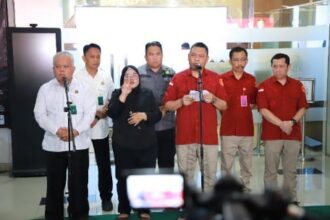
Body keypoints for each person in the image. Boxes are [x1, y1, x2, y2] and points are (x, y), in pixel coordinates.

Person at [34, 51, 96, 220]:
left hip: (79, 145)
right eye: (58, 67)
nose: (62, 70)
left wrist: (75, 131)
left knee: (78, 187)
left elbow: (90, 114)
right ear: (53, 69)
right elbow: (40, 114)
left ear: (73, 68)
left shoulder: (84, 88)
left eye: (65, 67)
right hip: (53, 145)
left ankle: (80, 216)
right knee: (54, 187)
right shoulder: (45, 89)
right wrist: (57, 130)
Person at [164, 42, 228, 192]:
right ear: (188, 57)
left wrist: (213, 99)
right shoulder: (178, 78)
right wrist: (180, 102)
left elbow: (224, 105)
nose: (197, 59)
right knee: (186, 179)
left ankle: (208, 211)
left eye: (201, 56)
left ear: (207, 59)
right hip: (185, 138)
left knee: (210, 178)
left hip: (209, 138)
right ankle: (188, 211)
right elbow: (167, 105)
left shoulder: (215, 78)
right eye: (193, 55)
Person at [108, 65, 162, 220]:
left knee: (145, 177)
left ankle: (144, 209)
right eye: (127, 75)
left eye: (134, 75)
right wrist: (123, 95)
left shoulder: (147, 94)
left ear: (139, 78)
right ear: (122, 78)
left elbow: (157, 114)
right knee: (123, 177)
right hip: (123, 144)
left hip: (146, 145)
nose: (131, 78)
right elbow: (112, 113)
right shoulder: (117, 93)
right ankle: (124, 208)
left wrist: (144, 115)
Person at [257, 53, 308, 203]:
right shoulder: (264, 86)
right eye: (274, 66)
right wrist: (281, 124)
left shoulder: (297, 85)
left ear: (288, 67)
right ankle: (271, 201)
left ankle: (290, 201)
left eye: (281, 66)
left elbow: (303, 107)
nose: (277, 69)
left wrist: (291, 122)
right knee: (270, 171)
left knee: (290, 171)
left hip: (292, 135)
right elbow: (263, 110)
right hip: (272, 135)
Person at [75, 43, 114, 211]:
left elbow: (111, 99)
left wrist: (104, 111)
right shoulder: (76, 76)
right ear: (84, 58)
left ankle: (106, 197)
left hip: (101, 129)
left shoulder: (106, 76)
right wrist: (92, 114)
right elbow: (73, 103)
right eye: (92, 56)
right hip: (80, 129)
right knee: (80, 166)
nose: (96, 60)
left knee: (104, 165)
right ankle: (80, 199)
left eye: (98, 56)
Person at [220, 46, 257, 192]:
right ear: (230, 61)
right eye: (236, 60)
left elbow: (253, 102)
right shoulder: (222, 79)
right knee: (226, 164)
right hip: (228, 129)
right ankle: (225, 191)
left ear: (246, 61)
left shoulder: (251, 80)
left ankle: (246, 187)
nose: (239, 63)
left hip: (246, 129)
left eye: (242, 60)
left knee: (246, 162)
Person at [138, 41, 176, 172]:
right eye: (151, 54)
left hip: (167, 127)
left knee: (167, 167)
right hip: (145, 128)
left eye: (158, 54)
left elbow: (175, 97)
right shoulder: (138, 73)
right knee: (146, 168)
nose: (155, 57)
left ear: (162, 55)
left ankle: (167, 193)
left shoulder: (171, 73)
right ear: (145, 56)